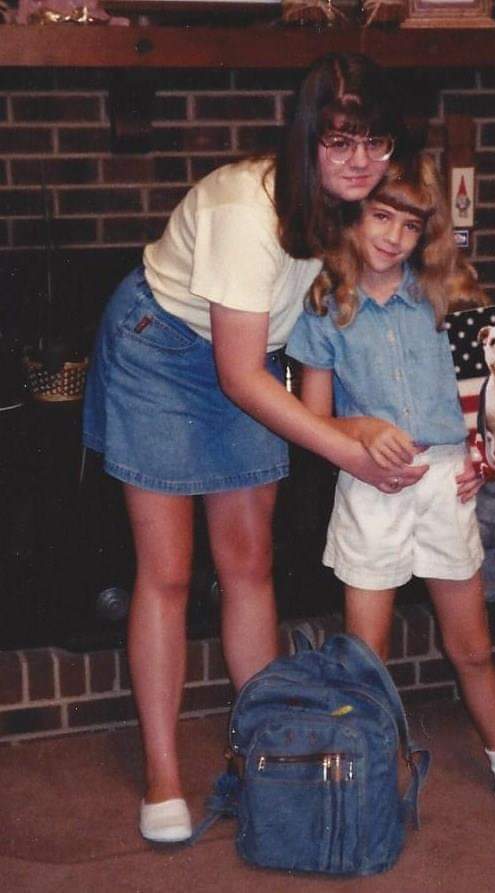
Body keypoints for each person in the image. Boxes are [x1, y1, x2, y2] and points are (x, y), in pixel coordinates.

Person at [82, 53, 431, 844]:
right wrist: (343, 449)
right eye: (341, 141)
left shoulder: (360, 206)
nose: (360, 160)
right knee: (168, 571)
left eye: (375, 142)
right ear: (307, 138)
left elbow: (317, 338)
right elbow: (240, 378)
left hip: (250, 358)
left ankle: (262, 747)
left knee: (248, 564)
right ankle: (163, 775)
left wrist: (380, 432)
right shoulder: (249, 208)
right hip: (162, 352)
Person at [286, 153, 495, 832]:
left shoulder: (451, 301)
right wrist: (362, 427)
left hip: (447, 484)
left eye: (410, 222)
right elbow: (311, 419)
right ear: (353, 214)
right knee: (367, 655)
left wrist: (490, 455)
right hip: (369, 487)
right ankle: (367, 782)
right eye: (380, 215)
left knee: (473, 647)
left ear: (428, 231)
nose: (393, 234)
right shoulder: (325, 305)